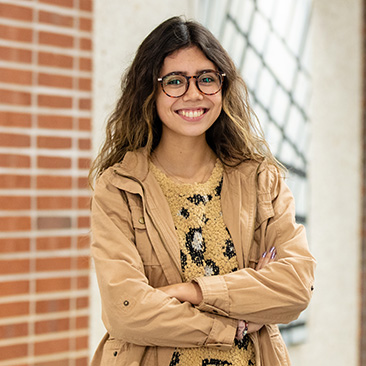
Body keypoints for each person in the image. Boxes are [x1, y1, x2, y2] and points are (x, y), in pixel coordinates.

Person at [89, 16, 316, 366]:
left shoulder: (261, 180)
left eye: (207, 79)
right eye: (175, 81)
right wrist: (234, 323)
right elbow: (127, 311)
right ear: (150, 90)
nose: (193, 94)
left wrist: (191, 292)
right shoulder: (120, 189)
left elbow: (295, 287)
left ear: (223, 87)